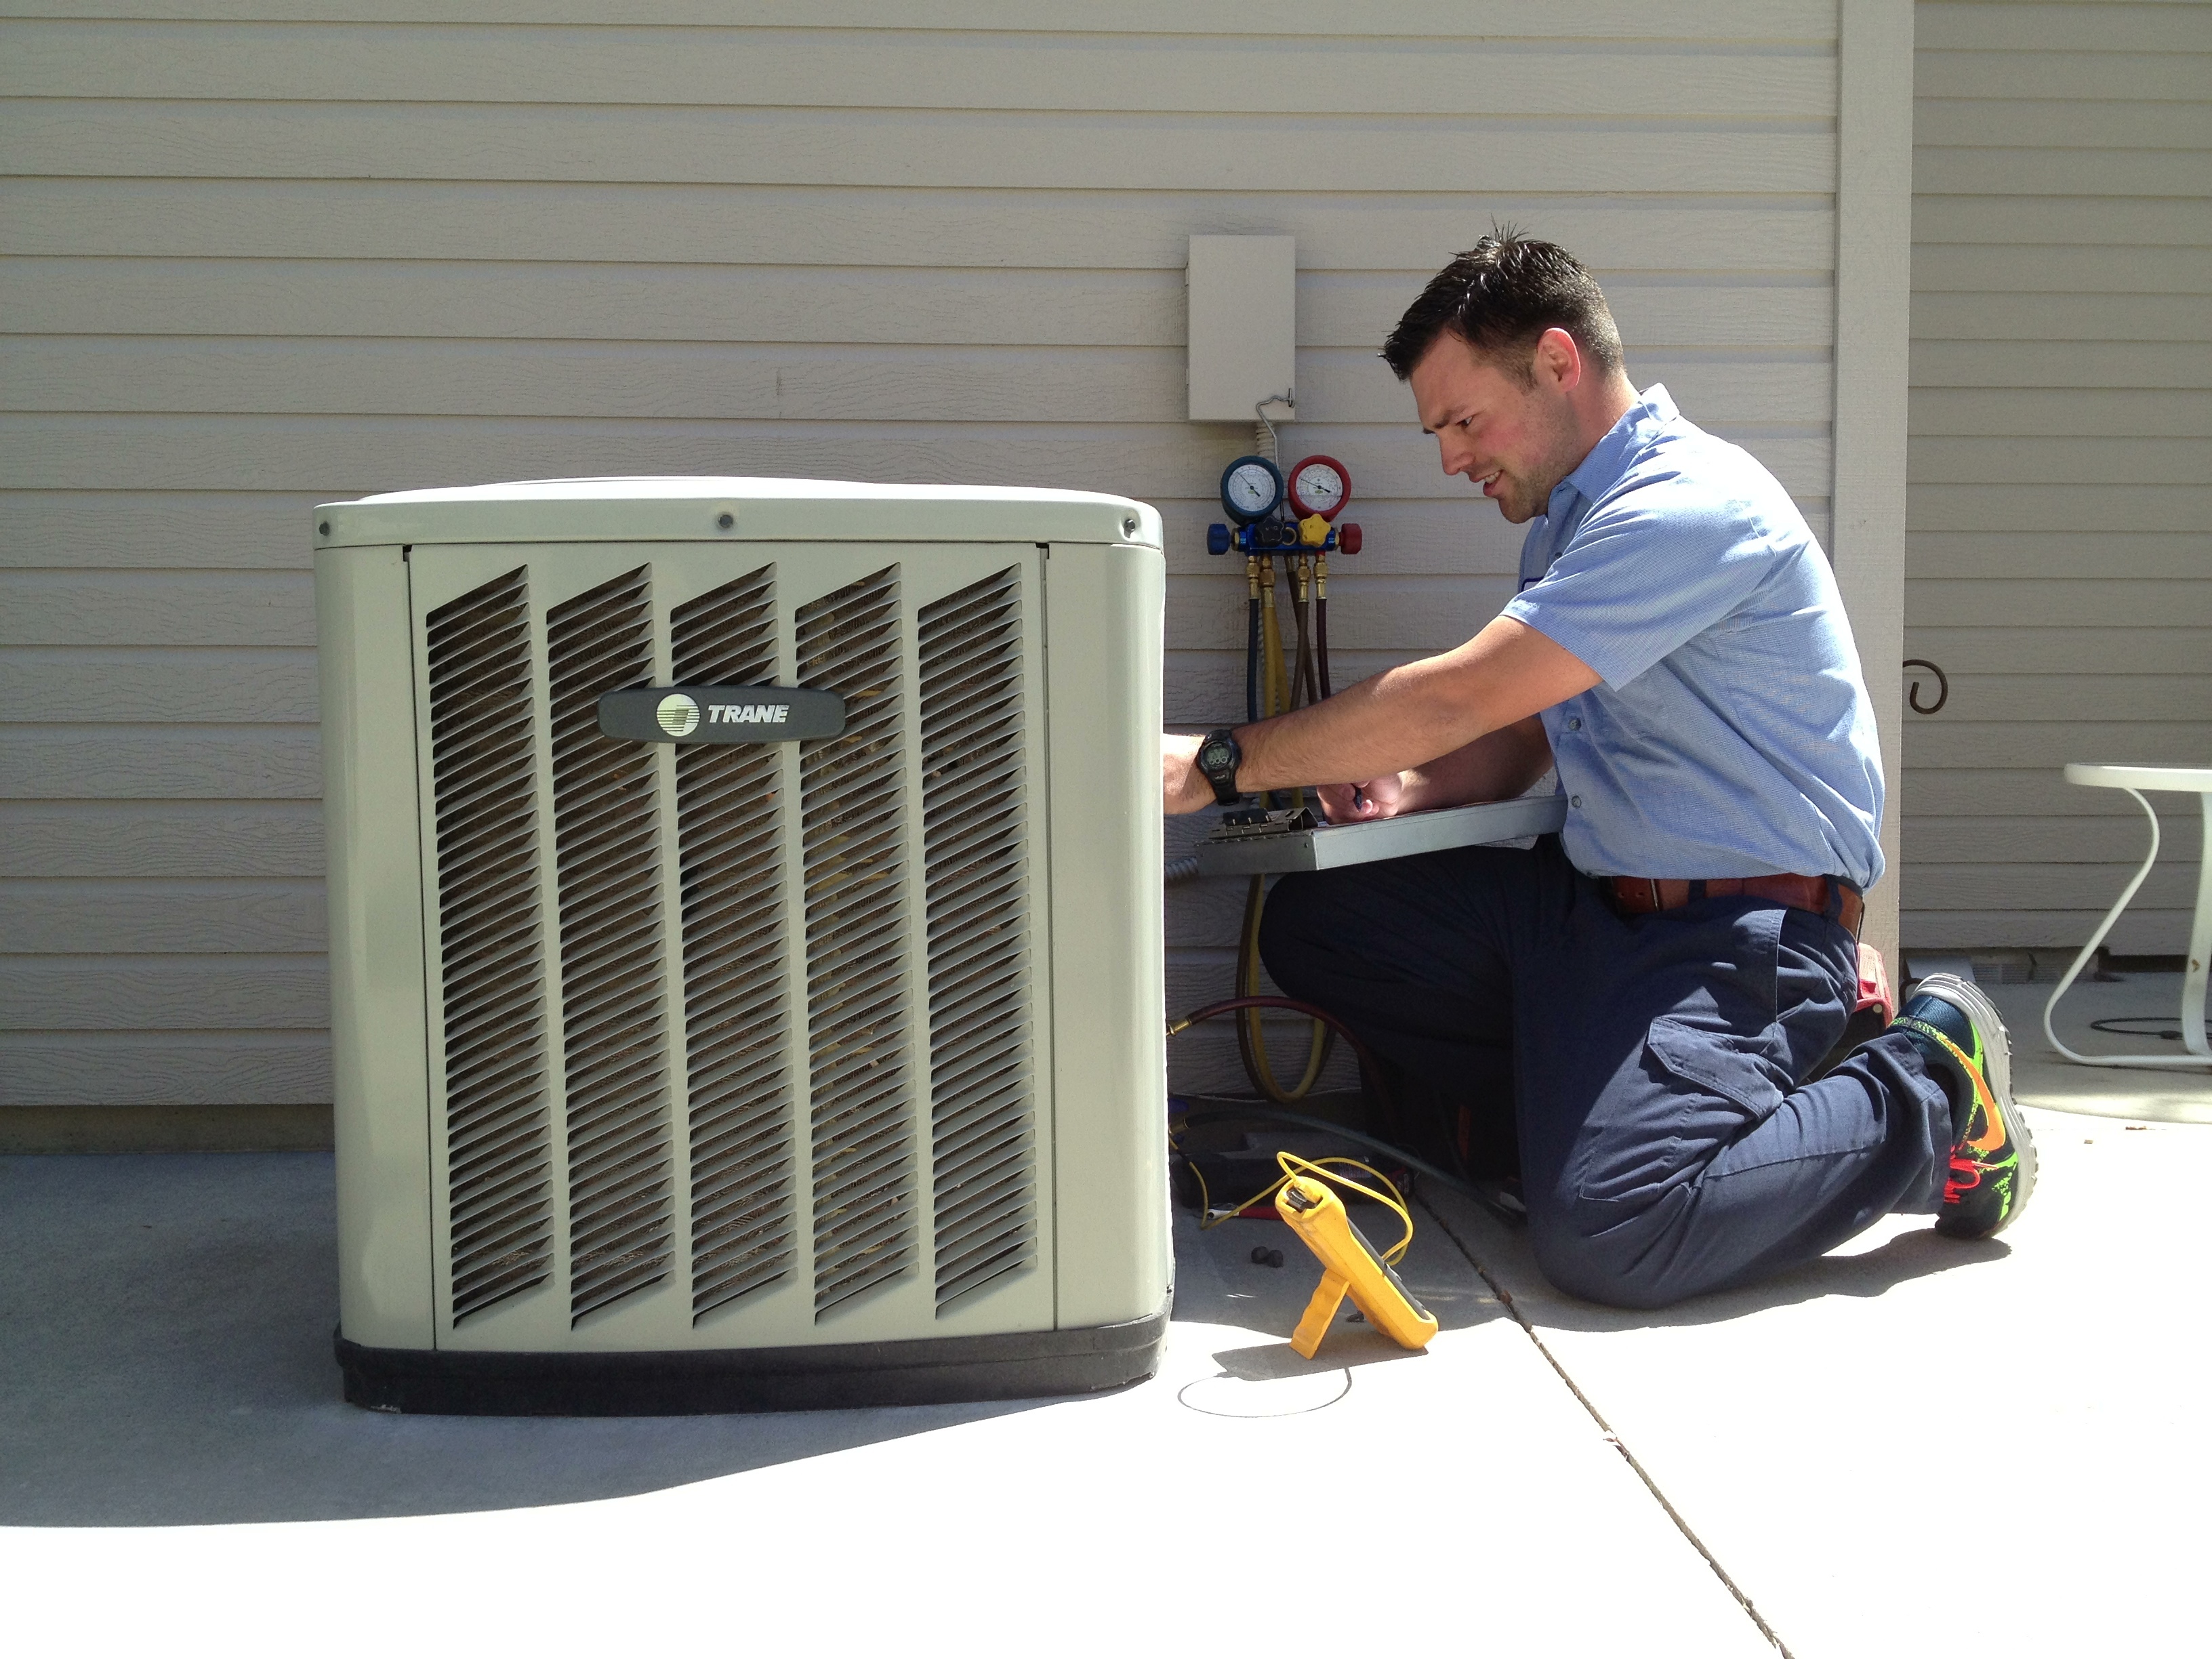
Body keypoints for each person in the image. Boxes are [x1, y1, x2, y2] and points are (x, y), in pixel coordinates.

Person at [1161, 232, 2034, 1310]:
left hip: (1737, 937)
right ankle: (1612, 1113)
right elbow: (1531, 725)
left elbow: (1463, 693)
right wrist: (1416, 789)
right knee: (1320, 923)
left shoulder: (1687, 506)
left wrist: (1219, 763)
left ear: (1560, 363)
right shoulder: (1574, 523)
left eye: (1464, 421)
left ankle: (1935, 1081)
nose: (1449, 457)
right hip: (1591, 911)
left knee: (1615, 1230)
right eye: (1437, 431)